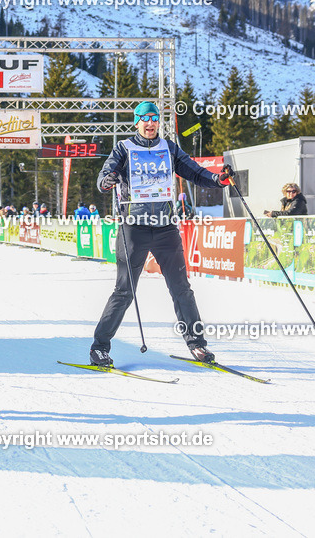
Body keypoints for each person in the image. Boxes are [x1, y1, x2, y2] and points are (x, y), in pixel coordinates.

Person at [91, 101, 234, 367]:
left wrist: (218, 180)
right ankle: (99, 348)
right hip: (134, 227)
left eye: (154, 118)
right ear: (137, 122)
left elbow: (195, 172)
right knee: (124, 291)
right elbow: (104, 176)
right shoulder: (124, 148)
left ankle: (198, 345)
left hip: (165, 227)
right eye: (144, 118)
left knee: (182, 289)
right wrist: (106, 181)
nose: (150, 123)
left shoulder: (169, 148)